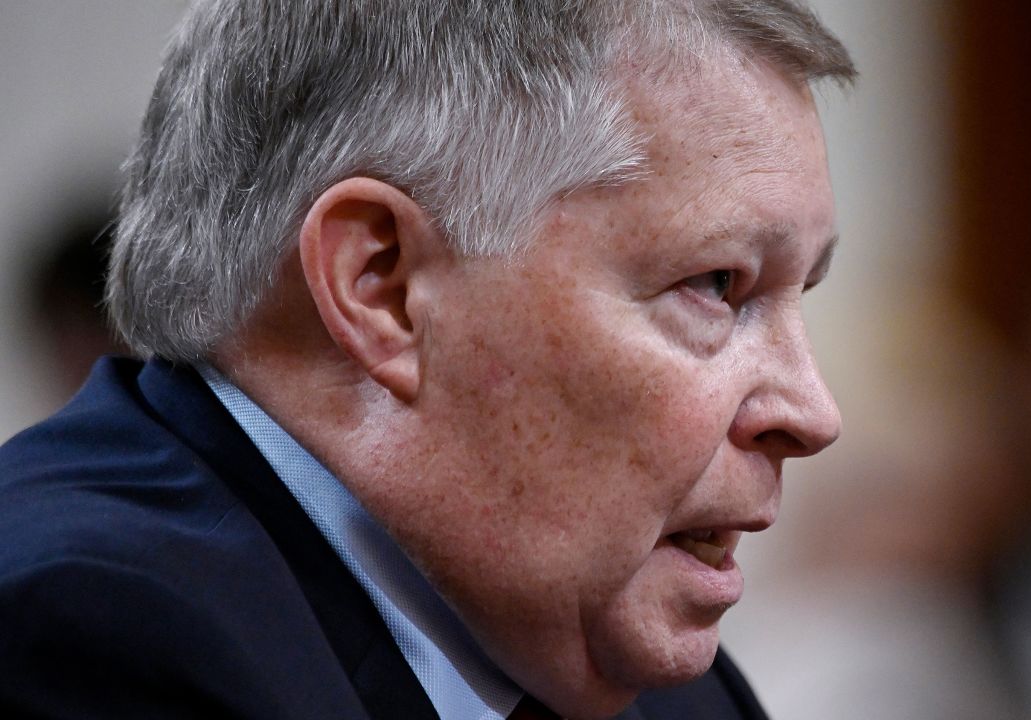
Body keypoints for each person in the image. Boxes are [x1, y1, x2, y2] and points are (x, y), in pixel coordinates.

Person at [0, 1, 852, 718]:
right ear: (383, 288)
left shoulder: (674, 694)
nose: (814, 414)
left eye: (799, 292)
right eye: (716, 283)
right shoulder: (82, 639)